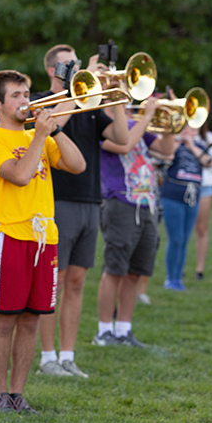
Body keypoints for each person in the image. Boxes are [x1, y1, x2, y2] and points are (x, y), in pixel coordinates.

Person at [0, 70, 85, 412]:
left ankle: (17, 394)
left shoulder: (44, 138)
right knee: (6, 318)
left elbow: (78, 165)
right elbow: (21, 176)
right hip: (11, 236)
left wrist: (58, 129)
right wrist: (39, 136)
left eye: (27, 93)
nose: (26, 100)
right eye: (17, 96)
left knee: (31, 318)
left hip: (45, 238)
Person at [33, 44, 128, 378]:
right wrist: (78, 88)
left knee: (76, 281)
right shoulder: (43, 100)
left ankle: (68, 355)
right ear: (51, 70)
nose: (74, 67)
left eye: (76, 63)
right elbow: (55, 122)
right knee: (53, 282)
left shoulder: (90, 102)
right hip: (56, 199)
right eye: (67, 64)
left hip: (90, 200)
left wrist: (115, 97)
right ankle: (47, 358)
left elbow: (123, 139)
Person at [91, 99, 175, 350]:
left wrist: (168, 125)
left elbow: (167, 151)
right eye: (120, 104)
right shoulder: (102, 129)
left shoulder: (136, 126)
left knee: (136, 272)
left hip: (147, 203)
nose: (127, 109)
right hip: (120, 202)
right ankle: (104, 330)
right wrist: (147, 117)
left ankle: (124, 330)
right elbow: (125, 145)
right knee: (115, 268)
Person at [160, 123, 212, 291]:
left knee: (184, 239)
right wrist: (178, 142)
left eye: (195, 130)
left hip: (192, 198)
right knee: (176, 239)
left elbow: (209, 162)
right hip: (173, 196)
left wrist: (191, 146)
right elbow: (166, 157)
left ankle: (178, 277)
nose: (192, 132)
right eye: (189, 128)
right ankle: (171, 278)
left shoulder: (198, 146)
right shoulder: (174, 145)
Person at [193, 123, 212, 281]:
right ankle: (177, 269)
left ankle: (199, 269)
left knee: (202, 228)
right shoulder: (179, 135)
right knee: (181, 233)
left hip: (204, 188)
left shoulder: (208, 138)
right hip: (184, 188)